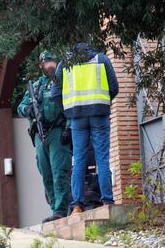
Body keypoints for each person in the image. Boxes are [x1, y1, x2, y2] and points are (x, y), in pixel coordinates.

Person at [52, 43, 119, 214]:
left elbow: (55, 94)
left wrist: (69, 110)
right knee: (102, 158)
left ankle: (77, 206)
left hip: (77, 117)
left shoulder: (64, 63)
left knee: (79, 160)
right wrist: (102, 103)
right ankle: (107, 202)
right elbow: (114, 87)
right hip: (99, 114)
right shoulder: (101, 59)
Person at [17, 51, 72, 222]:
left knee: (59, 171)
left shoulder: (63, 82)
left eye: (53, 61)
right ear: (41, 65)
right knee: (46, 174)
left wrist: (68, 129)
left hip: (58, 132)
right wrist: (28, 110)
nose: (50, 65)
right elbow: (21, 107)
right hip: (40, 136)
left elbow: (71, 106)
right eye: (47, 62)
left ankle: (62, 209)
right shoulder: (36, 86)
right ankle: (55, 208)